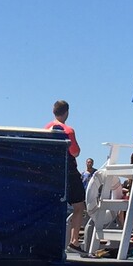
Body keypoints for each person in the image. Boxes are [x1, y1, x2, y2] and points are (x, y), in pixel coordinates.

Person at [46, 101, 87, 252]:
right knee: (78, 205)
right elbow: (75, 152)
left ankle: (50, 240)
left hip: (52, 173)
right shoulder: (68, 130)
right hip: (68, 171)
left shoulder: (46, 128)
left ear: (53, 111)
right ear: (67, 112)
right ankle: (74, 242)